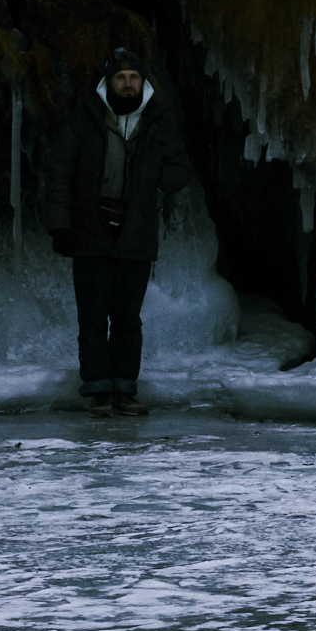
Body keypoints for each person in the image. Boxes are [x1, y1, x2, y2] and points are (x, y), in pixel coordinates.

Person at [41, 45, 194, 418]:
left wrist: (153, 174)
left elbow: (181, 169)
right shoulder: (86, 116)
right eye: (121, 78)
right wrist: (61, 225)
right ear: (108, 82)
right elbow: (59, 170)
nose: (128, 84)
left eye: (134, 78)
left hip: (135, 234)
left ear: (142, 82)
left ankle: (125, 390)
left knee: (127, 319)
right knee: (92, 318)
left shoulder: (158, 119)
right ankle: (98, 392)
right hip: (90, 232)